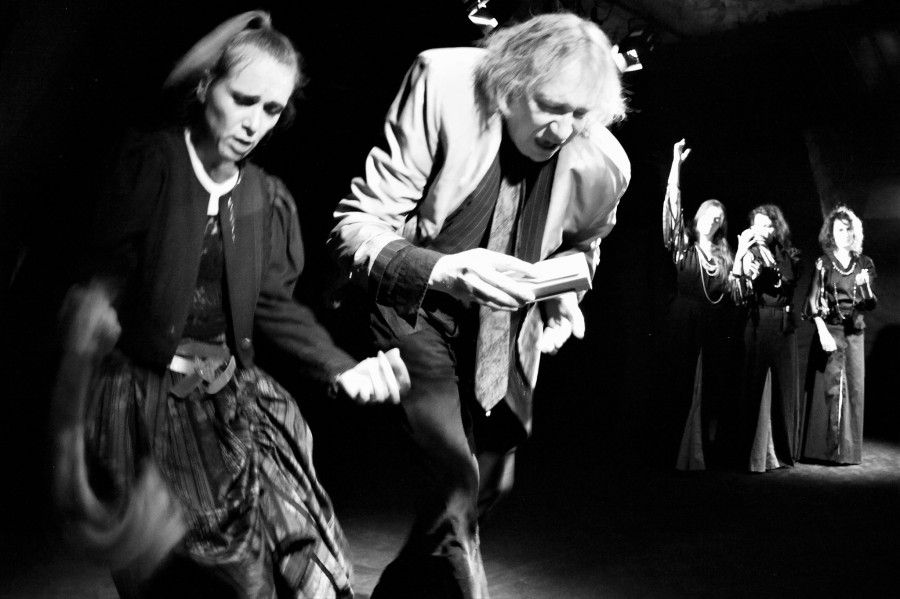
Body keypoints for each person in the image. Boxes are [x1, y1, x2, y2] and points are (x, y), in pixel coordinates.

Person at [52, 12, 409, 598]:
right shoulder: (152, 167)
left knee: (304, 555)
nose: (254, 123)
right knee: (207, 582)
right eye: (242, 100)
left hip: (232, 399)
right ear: (204, 87)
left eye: (271, 110)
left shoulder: (262, 196)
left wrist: (340, 366)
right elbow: (100, 277)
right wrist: (94, 316)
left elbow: (271, 304)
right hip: (148, 405)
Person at [329, 12, 629, 598]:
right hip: (417, 308)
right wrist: (446, 270)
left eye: (579, 114)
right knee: (456, 483)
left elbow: (585, 248)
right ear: (510, 83)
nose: (563, 129)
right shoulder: (444, 84)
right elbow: (355, 226)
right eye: (550, 106)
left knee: (486, 485)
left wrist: (564, 300)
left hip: (503, 333)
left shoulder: (603, 160)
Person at [661, 139, 739, 470]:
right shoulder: (684, 246)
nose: (712, 221)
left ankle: (699, 455)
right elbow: (672, 206)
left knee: (707, 388)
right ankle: (674, 453)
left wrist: (742, 259)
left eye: (718, 219)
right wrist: (675, 165)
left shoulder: (724, 258)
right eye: (709, 214)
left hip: (712, 329)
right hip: (682, 322)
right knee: (679, 383)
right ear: (699, 217)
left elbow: (734, 292)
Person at [801, 205, 876, 465]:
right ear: (831, 234)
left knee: (853, 389)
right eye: (839, 230)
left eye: (847, 229)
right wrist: (822, 331)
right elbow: (812, 300)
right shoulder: (823, 263)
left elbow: (869, 303)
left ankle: (848, 452)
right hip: (829, 330)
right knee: (827, 389)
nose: (844, 234)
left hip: (854, 333)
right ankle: (821, 451)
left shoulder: (864, 263)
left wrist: (865, 287)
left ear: (855, 232)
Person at [732, 204, 802, 472]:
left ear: (776, 228)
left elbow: (789, 280)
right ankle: (753, 454)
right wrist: (744, 261)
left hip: (783, 323)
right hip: (759, 321)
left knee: (782, 388)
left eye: (768, 225)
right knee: (754, 385)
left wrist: (769, 269)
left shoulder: (788, 254)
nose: (762, 229)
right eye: (758, 224)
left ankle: (780, 452)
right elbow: (741, 288)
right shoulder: (749, 253)